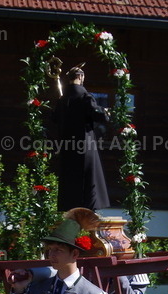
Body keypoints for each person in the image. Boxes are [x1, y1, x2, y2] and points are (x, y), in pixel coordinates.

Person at [53, 67, 110, 212]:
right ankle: (88, 212)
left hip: (67, 147)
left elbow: (54, 119)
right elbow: (98, 116)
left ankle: (71, 210)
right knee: (89, 180)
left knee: (71, 179)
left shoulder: (62, 100)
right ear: (80, 76)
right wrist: (105, 112)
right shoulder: (85, 97)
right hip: (85, 145)